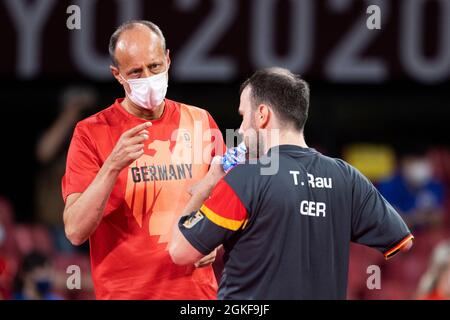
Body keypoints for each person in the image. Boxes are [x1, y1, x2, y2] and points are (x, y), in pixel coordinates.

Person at [169, 67, 414, 299]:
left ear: (262, 115)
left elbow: (180, 252)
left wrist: (206, 186)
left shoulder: (245, 179)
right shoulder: (347, 178)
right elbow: (402, 242)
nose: (241, 129)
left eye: (243, 116)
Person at [62, 20, 224, 299]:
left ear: (168, 60)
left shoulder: (200, 121)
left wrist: (216, 242)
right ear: (118, 75)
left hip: (196, 296)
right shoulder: (91, 132)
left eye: (155, 66)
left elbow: (232, 205)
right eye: (135, 72)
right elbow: (76, 230)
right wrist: (112, 165)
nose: (148, 77)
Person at [378, 149, 445, 231]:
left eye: (421, 160)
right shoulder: (388, 185)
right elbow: (392, 222)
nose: (417, 165)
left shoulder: (434, 185)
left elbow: (438, 218)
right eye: (412, 160)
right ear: (402, 163)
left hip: (427, 236)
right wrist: (419, 218)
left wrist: (413, 218)